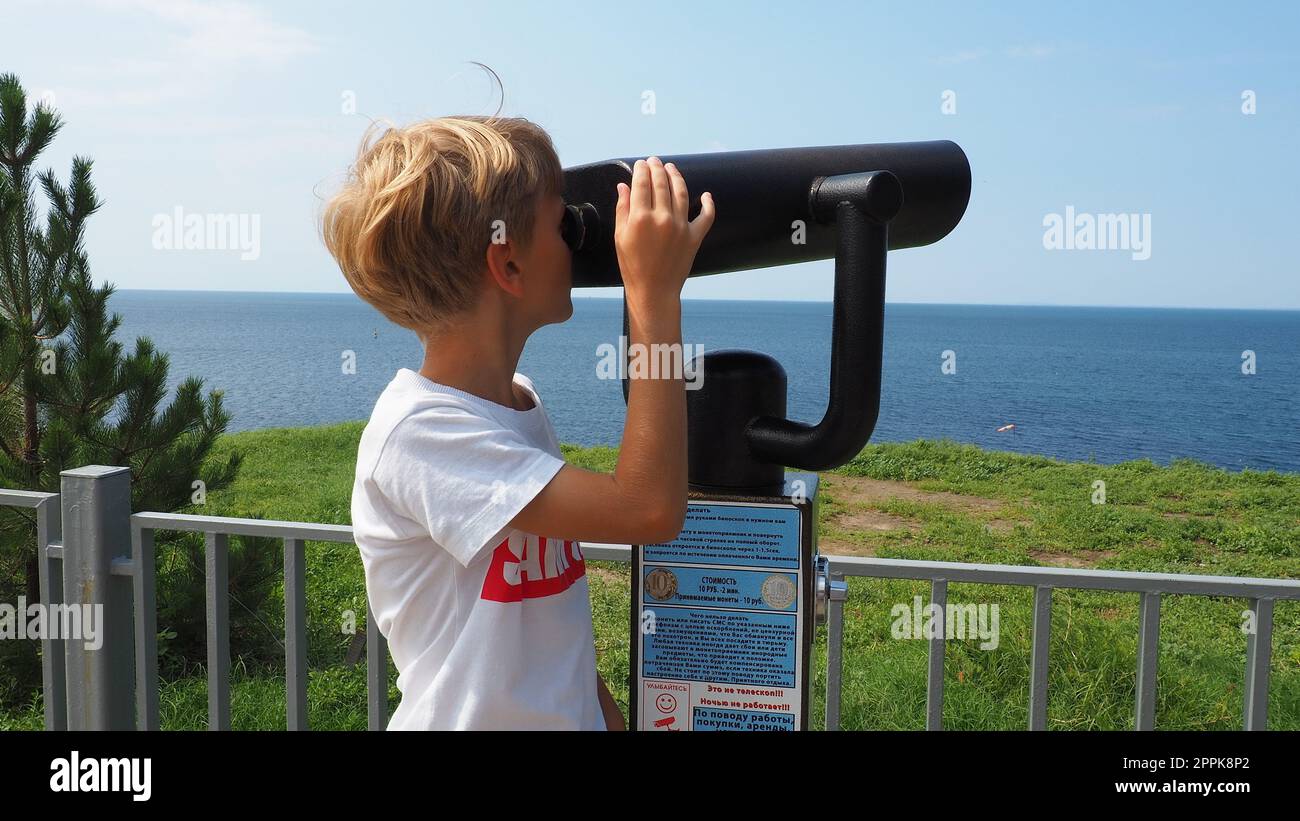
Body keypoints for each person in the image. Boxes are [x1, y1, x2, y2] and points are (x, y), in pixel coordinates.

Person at [321, 114, 715, 729]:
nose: (580, 243)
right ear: (507, 265)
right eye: (562, 225)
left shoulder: (519, 404)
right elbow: (648, 510)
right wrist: (654, 298)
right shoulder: (417, 433)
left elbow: (553, 639)